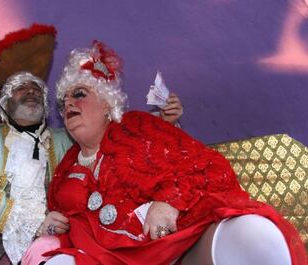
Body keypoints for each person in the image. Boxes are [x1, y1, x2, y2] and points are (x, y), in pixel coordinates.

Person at [0, 25, 183, 265]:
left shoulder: (67, 137)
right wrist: (33, 220)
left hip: (55, 244)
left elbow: (112, 135)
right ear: (3, 105)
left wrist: (163, 122)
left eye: (36, 89)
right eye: (21, 88)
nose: (31, 91)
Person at [26, 41, 307, 265]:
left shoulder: (137, 126)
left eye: (79, 94)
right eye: (63, 101)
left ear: (106, 105)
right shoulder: (65, 165)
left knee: (252, 233)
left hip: (171, 250)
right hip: (98, 257)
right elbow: (60, 219)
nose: (68, 105)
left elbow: (208, 167)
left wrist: (169, 201)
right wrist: (50, 224)